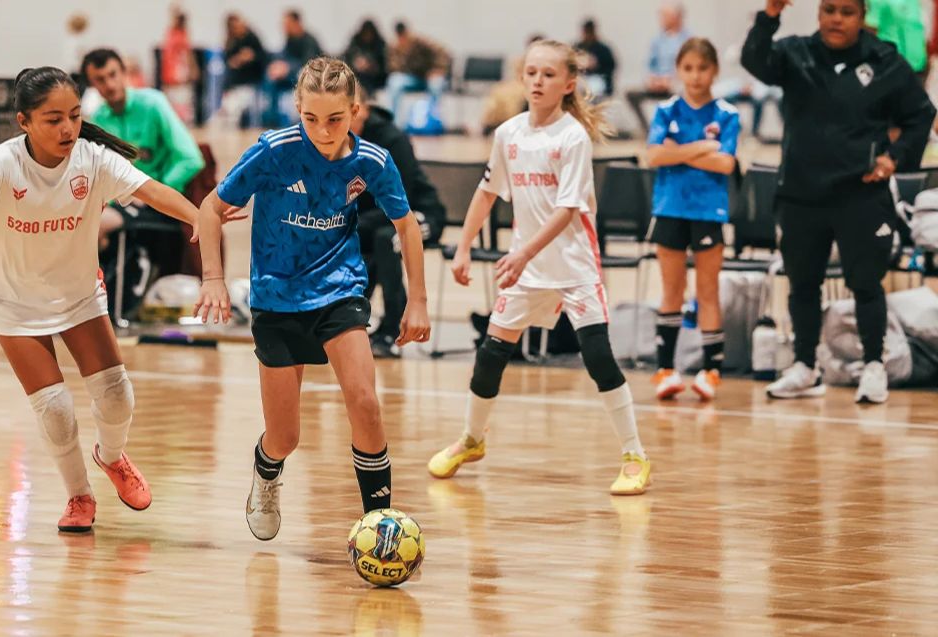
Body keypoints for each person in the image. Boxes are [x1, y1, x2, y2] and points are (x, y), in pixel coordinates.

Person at [0, 67, 201, 534]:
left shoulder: (93, 159)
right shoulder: (0, 164)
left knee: (117, 396)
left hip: (79, 296)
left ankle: (111, 456)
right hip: (13, 303)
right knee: (57, 410)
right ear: (24, 121)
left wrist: (197, 215)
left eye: (75, 116)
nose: (67, 128)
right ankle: (79, 496)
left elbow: (153, 191)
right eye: (53, 119)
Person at [193, 57, 431, 541]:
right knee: (286, 437)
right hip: (276, 299)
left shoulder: (373, 162)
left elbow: (407, 227)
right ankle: (266, 472)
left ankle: (379, 524)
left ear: (355, 111)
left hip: (339, 291)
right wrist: (214, 278)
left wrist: (418, 300)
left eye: (335, 119)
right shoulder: (273, 152)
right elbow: (210, 208)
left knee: (365, 402)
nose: (323, 130)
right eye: (311, 118)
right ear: (297, 108)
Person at [425, 40, 651, 496]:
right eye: (531, 73)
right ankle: (472, 439)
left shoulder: (572, 138)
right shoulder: (509, 134)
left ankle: (634, 455)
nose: (537, 82)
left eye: (548, 75)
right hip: (527, 269)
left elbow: (568, 210)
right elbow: (487, 193)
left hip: (573, 266)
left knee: (598, 357)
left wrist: (523, 253)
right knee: (490, 355)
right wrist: (464, 247)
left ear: (568, 84)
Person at [742, 0, 936, 403]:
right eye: (829, 9)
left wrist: (895, 160)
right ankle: (804, 368)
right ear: (818, 14)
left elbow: (921, 114)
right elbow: (754, 60)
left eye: (846, 12)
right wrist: (770, 15)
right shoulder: (796, 53)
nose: (836, 19)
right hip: (801, 194)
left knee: (866, 284)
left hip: (861, 195)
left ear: (861, 16)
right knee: (802, 284)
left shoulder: (884, 61)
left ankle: (874, 368)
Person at [646, 38, 740, 402]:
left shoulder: (727, 114)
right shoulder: (666, 110)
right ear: (678, 70)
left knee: (707, 290)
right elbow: (653, 155)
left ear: (714, 71)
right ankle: (665, 370)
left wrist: (677, 153)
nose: (696, 75)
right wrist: (702, 148)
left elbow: (726, 163)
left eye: (703, 68)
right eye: (688, 68)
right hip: (670, 207)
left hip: (708, 211)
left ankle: (710, 371)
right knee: (671, 289)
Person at [82, 48, 205, 257]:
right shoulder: (98, 119)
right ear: (92, 85)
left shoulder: (153, 103)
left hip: (159, 202)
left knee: (95, 228)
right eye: (100, 80)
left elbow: (191, 159)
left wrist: (153, 192)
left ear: (124, 73)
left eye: (112, 75)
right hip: (121, 203)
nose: (109, 85)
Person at [352, 88, 446, 357]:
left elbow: (402, 202)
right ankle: (350, 323)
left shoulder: (392, 140)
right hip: (376, 221)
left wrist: (355, 222)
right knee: (354, 240)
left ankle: (394, 330)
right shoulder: (340, 141)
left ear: (361, 110)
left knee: (385, 239)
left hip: (420, 215)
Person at [626, 2, 691, 134]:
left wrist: (671, 80)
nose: (661, 19)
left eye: (665, 16)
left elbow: (689, 66)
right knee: (630, 93)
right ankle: (649, 131)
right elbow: (649, 64)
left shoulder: (688, 40)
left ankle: (680, 131)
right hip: (657, 83)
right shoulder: (657, 40)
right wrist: (651, 79)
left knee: (685, 92)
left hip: (677, 83)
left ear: (677, 17)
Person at [261, 10, 322, 128]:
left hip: (308, 79)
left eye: (287, 24)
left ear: (297, 23)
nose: (284, 28)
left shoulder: (309, 40)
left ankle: (296, 123)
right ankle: (271, 121)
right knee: (270, 79)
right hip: (291, 77)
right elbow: (284, 56)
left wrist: (288, 68)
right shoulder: (290, 39)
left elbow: (308, 64)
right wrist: (277, 66)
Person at [385, 22, 452, 129]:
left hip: (430, 77)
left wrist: (438, 69)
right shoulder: (395, 47)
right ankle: (395, 123)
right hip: (413, 79)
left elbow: (443, 53)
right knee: (394, 82)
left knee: (436, 84)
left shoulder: (422, 42)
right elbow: (392, 67)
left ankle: (433, 120)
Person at [222, 13, 268, 129]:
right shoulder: (231, 42)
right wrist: (237, 60)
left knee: (252, 110)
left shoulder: (252, 38)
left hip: (252, 81)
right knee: (233, 110)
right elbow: (228, 61)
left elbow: (262, 57)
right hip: (236, 83)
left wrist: (251, 57)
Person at [865, 0, 928, 82]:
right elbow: (869, 33)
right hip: (890, 69)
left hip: (918, 69)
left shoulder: (913, 2)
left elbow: (916, 31)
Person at [161, 9, 196, 122]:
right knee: (172, 100)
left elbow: (188, 54)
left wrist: (192, 68)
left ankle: (183, 120)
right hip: (171, 71)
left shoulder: (183, 35)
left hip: (180, 70)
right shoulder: (171, 33)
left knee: (182, 99)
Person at [344, 19, 388, 94]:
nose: (368, 37)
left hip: (375, 79)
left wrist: (372, 66)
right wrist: (356, 63)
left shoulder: (380, 44)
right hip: (357, 76)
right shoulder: (355, 42)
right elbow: (348, 56)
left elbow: (384, 65)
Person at [575, 19, 616, 97]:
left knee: (594, 88)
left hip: (598, 78)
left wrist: (596, 65)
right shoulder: (577, 47)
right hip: (581, 78)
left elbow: (611, 67)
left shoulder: (603, 49)